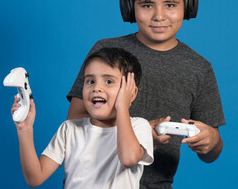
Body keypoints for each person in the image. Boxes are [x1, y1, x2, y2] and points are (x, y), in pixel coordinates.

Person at [67, 0, 226, 189]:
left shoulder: (199, 67)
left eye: (170, 5)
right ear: (130, 8)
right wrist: (138, 136)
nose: (159, 16)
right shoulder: (104, 52)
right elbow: (74, 124)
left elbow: (212, 153)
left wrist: (211, 141)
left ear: (188, 6)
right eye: (147, 5)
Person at [11, 47, 154, 188]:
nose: (96, 88)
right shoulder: (69, 129)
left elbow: (129, 159)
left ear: (132, 93)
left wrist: (122, 106)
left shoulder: (139, 126)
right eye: (90, 81)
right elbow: (35, 178)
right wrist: (25, 130)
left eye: (109, 81)